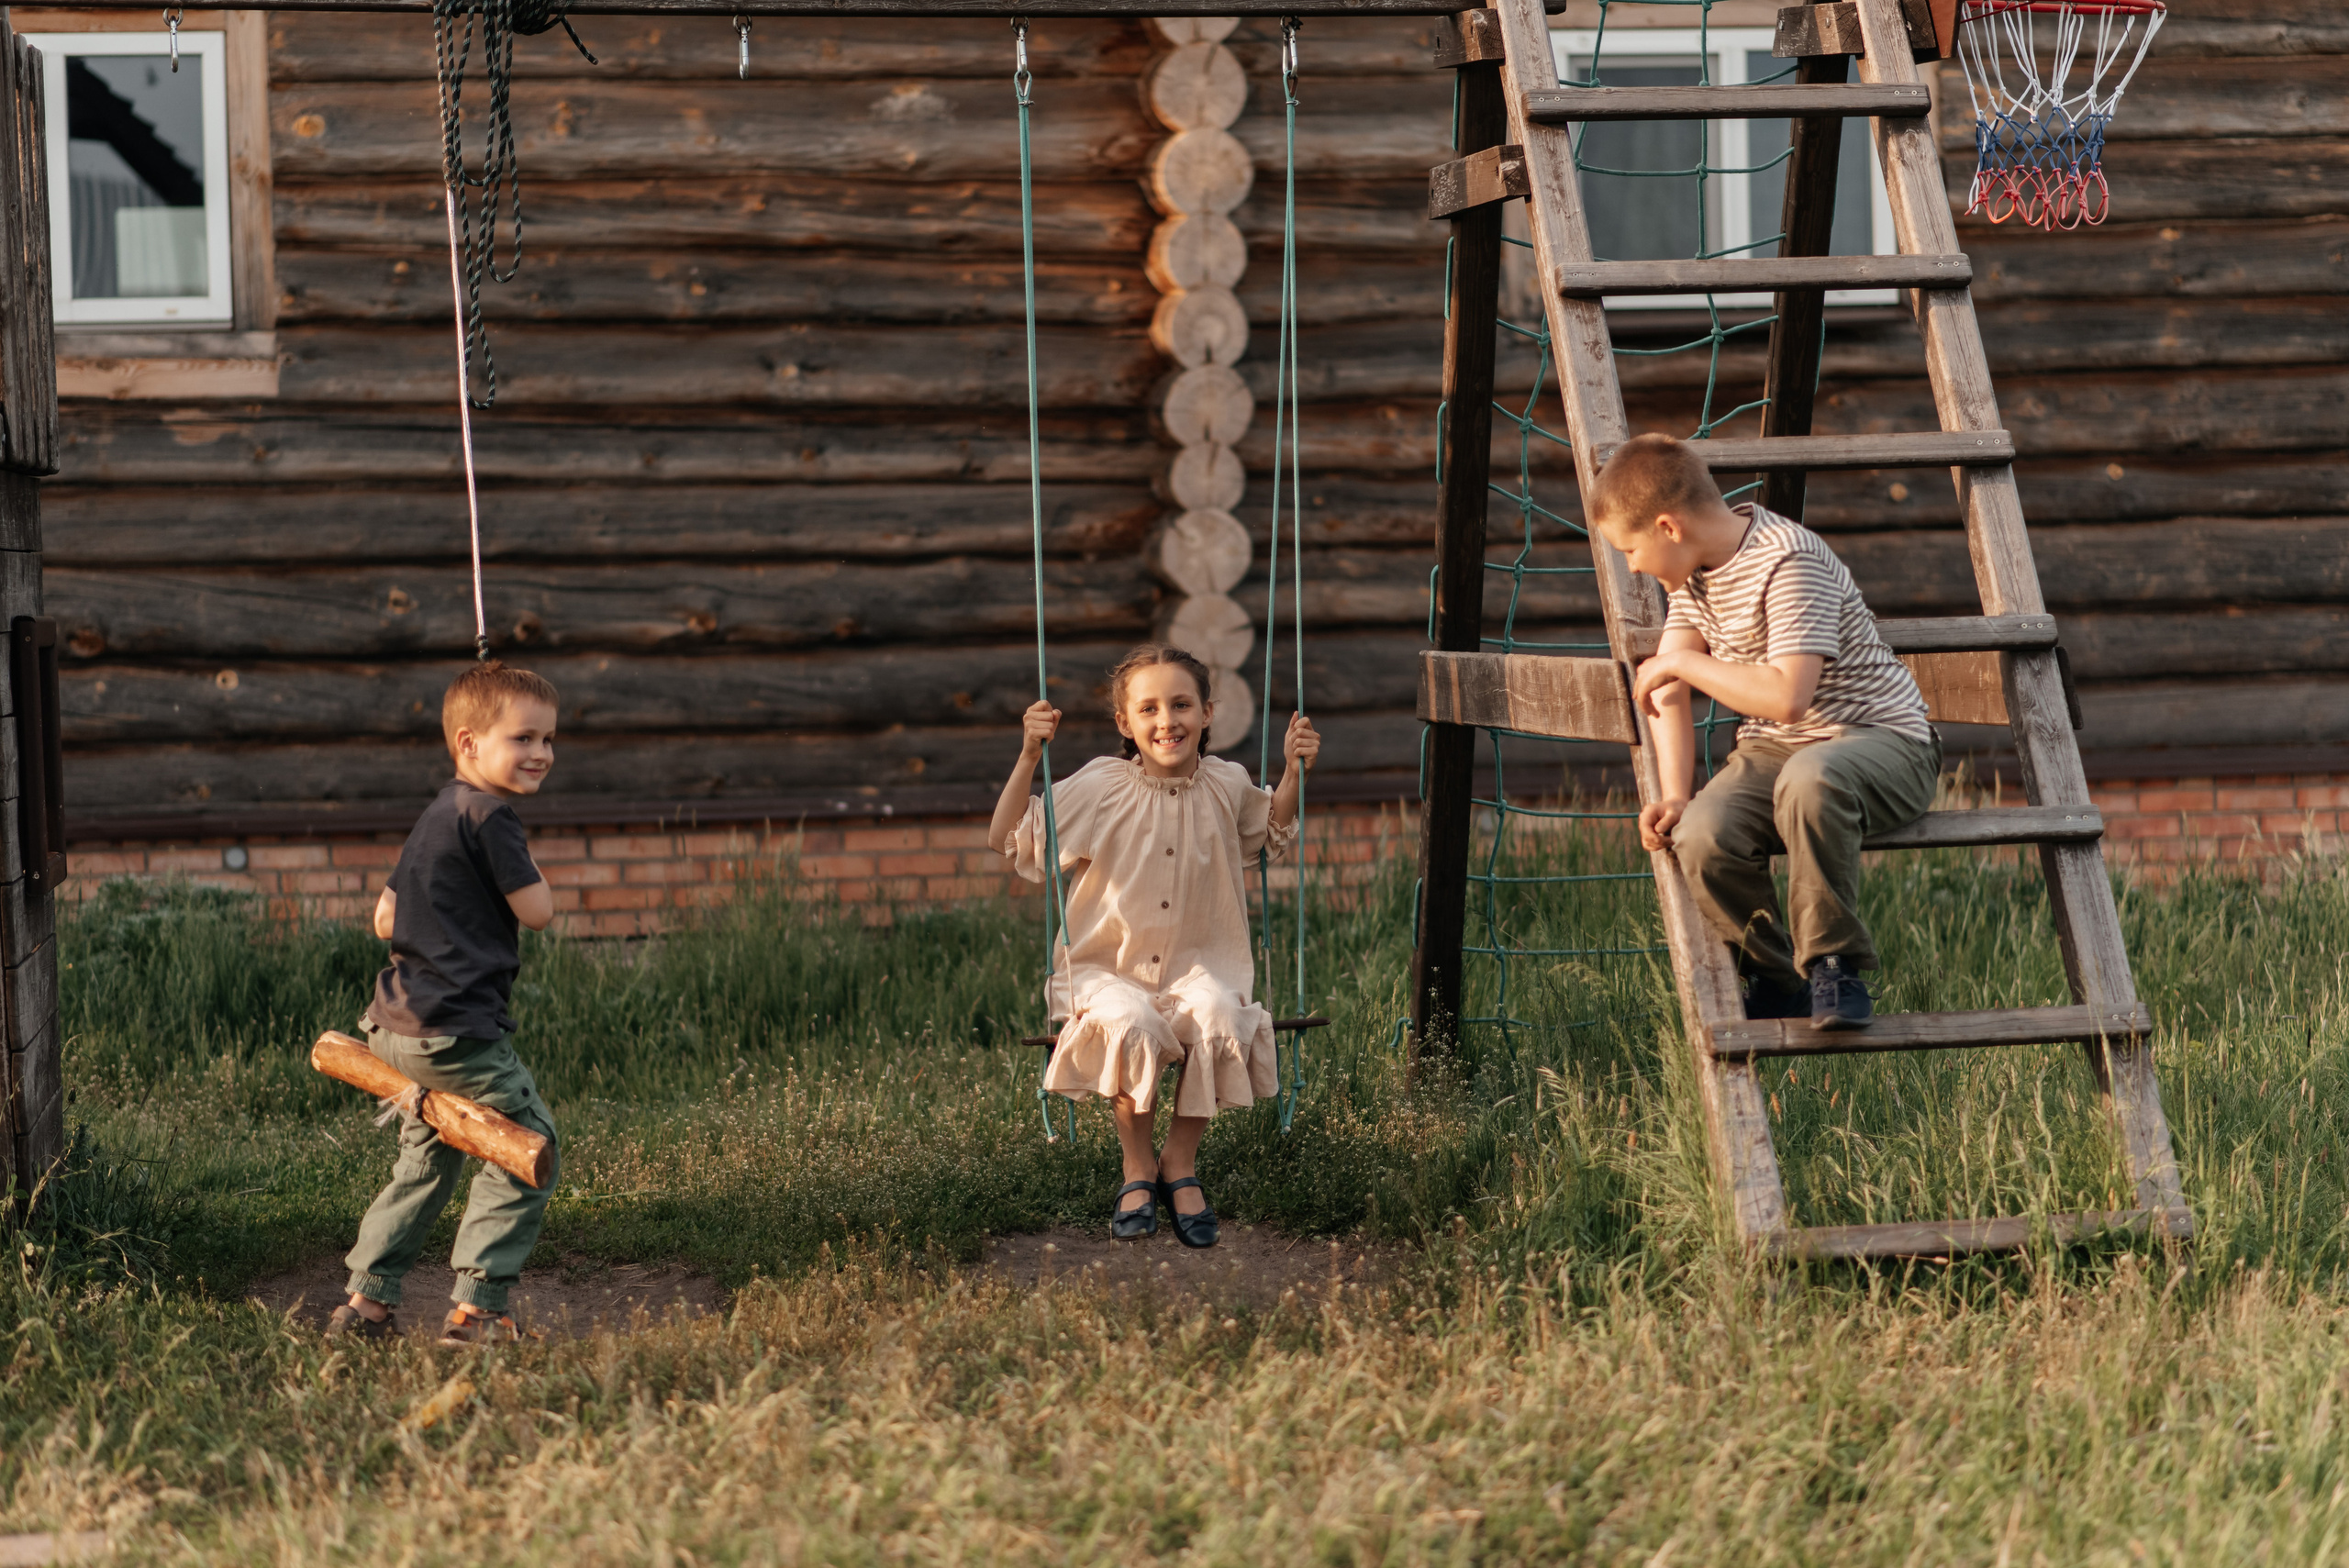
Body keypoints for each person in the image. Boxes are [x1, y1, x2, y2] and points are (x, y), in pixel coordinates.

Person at [1588, 433, 1939, 1029]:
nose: (1633, 566)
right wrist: (1675, 793)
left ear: (1669, 527)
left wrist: (1682, 663)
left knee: (1812, 776)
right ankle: (1779, 978)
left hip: (1883, 741)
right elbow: (1665, 689)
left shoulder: (1788, 559)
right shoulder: (1694, 576)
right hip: (1779, 752)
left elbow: (1787, 698)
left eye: (1630, 548)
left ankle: (1833, 963)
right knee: (1701, 832)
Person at [988, 644, 1319, 1247]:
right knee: (1130, 1021)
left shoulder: (1227, 783)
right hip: (1106, 970)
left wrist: (1294, 772)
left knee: (1220, 1016)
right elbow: (1008, 835)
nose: (1167, 720)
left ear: (1208, 712)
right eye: (1149, 709)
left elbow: (1269, 829)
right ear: (1125, 723)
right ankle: (1137, 1165)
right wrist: (1029, 754)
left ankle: (1179, 1161)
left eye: (1181, 704)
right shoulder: (1099, 786)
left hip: (1200, 966)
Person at [326, 661, 562, 1345]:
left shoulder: (435, 814)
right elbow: (539, 912)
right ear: (468, 743)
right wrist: (517, 858)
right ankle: (478, 1311)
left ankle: (365, 1304)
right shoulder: (493, 819)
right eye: (522, 738)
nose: (541, 753)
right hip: (457, 1034)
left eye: (548, 739)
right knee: (527, 1148)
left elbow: (383, 919)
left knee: (426, 1158)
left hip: (395, 1027)